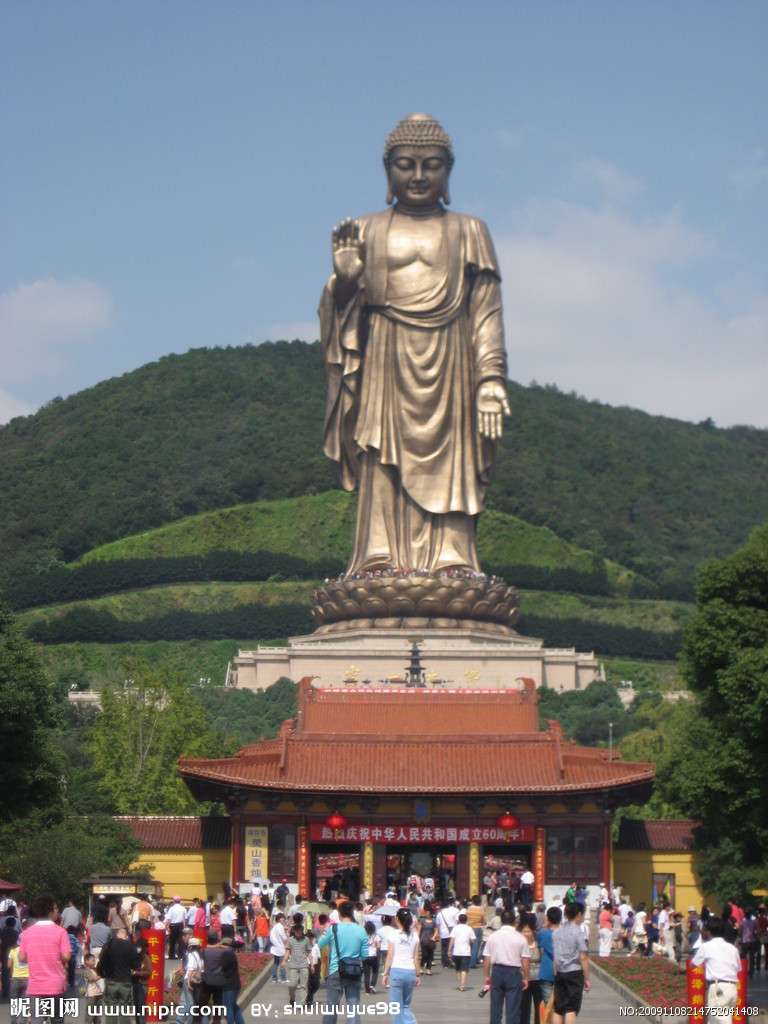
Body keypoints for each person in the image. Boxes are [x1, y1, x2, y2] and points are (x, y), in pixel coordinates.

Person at [18, 896, 71, 1020]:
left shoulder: (27, 933)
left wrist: (36, 956)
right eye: (56, 908)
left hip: (35, 985)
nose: (57, 911)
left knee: (37, 1020)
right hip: (56, 985)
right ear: (49, 911)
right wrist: (54, 955)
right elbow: (66, 956)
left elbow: (21, 957)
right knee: (57, 1019)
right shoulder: (60, 932)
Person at [317, 900, 368, 1024]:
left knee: (332, 1006)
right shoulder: (361, 930)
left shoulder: (334, 929)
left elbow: (320, 944)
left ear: (339, 913)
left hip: (336, 970)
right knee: (353, 1006)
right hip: (354, 970)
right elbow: (364, 955)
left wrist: (324, 934)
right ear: (352, 913)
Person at [482, 909, 530, 1024]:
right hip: (513, 973)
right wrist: (526, 977)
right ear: (514, 921)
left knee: (495, 1007)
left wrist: (487, 976)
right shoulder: (520, 938)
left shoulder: (493, 937)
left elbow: (487, 958)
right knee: (513, 1009)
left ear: (501, 921)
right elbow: (525, 960)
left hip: (497, 971)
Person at [692, 917, 741, 1019]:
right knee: (721, 1019)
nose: (702, 932)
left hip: (718, 989)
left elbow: (693, 964)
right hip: (732, 989)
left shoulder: (706, 946)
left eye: (704, 930)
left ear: (709, 932)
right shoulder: (733, 948)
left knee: (719, 1020)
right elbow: (738, 968)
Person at [552, 902, 591, 1024]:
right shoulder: (578, 932)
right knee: (571, 1008)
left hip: (560, 972)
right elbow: (583, 957)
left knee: (558, 1008)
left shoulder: (557, 932)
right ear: (579, 914)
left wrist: (555, 972)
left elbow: (555, 955)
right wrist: (587, 978)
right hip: (574, 972)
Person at [382, 908, 420, 1024]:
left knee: (396, 1006)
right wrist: (417, 974)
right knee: (405, 1005)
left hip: (397, 971)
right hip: (410, 971)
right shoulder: (414, 936)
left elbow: (390, 956)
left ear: (397, 919)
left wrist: (385, 973)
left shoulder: (393, 934)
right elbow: (416, 957)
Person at [201, 932, 245, 1024]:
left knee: (228, 1007)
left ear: (227, 946)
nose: (220, 946)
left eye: (222, 945)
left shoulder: (227, 954)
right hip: (235, 984)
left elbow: (220, 967)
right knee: (233, 1006)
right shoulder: (230, 953)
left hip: (229, 985)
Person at [97, 926, 140, 1009]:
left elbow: (102, 960)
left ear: (117, 935)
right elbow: (136, 965)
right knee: (125, 1007)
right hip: (125, 981)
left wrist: (102, 973)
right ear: (126, 936)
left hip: (111, 980)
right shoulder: (131, 946)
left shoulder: (108, 945)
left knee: (111, 1007)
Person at [519, 915, 543, 1023]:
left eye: (528, 931)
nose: (526, 934)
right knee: (524, 1005)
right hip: (523, 977)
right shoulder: (518, 944)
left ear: (533, 931)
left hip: (538, 977)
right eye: (524, 931)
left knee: (539, 1004)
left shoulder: (538, 943)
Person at [283, 919, 311, 1007]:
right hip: (293, 966)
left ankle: (302, 1003)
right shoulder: (290, 940)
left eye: (300, 931)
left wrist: (312, 964)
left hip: (304, 965)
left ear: (302, 931)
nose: (299, 933)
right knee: (292, 985)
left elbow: (309, 951)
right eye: (297, 931)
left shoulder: (306, 940)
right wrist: (284, 960)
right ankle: (292, 998)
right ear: (294, 931)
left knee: (303, 986)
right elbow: (287, 951)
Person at [175, 936, 203, 1022]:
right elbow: (201, 969)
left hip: (188, 980)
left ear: (190, 946)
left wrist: (188, 983)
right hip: (195, 981)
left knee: (188, 1003)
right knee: (187, 1002)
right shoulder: (200, 956)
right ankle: (181, 1021)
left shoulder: (191, 955)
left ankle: (182, 1021)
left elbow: (191, 969)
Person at [538, 905, 560, 1010]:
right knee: (560, 1005)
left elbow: (540, 949)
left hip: (546, 971)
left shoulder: (544, 933)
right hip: (562, 971)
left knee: (548, 1006)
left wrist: (545, 926)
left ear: (548, 918)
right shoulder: (564, 934)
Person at [7, 922, 30, 1024]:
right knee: (25, 1002)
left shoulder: (12, 951)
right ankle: (23, 1021)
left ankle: (14, 1021)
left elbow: (8, 965)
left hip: (15, 979)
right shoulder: (29, 951)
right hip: (27, 979)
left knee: (14, 1002)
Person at [447, 911, 474, 991]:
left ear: (459, 920)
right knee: (464, 970)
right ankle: (462, 985)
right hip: (466, 952)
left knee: (458, 969)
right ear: (466, 920)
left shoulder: (455, 928)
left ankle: (460, 984)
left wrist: (449, 950)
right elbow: (472, 940)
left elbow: (452, 939)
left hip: (456, 952)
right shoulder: (469, 928)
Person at [466, 895, 485, 970]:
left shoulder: (469, 909)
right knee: (475, 947)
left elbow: (466, 917)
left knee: (469, 946)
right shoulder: (481, 909)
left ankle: (468, 961)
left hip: (469, 928)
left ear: (473, 901)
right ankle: (472, 963)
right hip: (477, 928)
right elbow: (483, 920)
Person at [418, 905, 437, 976]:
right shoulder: (422, 921)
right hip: (423, 939)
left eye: (428, 913)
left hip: (431, 940)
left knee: (430, 955)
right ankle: (421, 967)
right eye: (426, 913)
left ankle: (428, 969)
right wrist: (418, 937)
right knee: (424, 955)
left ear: (431, 914)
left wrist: (434, 937)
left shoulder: (434, 921)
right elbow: (419, 929)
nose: (427, 914)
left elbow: (436, 930)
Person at [269, 913, 288, 983]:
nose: (283, 920)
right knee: (282, 962)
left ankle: (274, 978)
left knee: (276, 963)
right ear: (279, 919)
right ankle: (283, 978)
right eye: (282, 918)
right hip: (280, 947)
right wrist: (287, 938)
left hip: (276, 947)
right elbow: (283, 937)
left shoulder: (275, 926)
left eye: (283, 918)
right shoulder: (280, 926)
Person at [363, 921, 380, 994]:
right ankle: (372, 986)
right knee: (375, 972)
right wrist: (375, 945)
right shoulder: (375, 936)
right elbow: (379, 946)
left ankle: (367, 991)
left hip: (365, 956)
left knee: (366, 974)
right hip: (373, 956)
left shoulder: (363, 936)